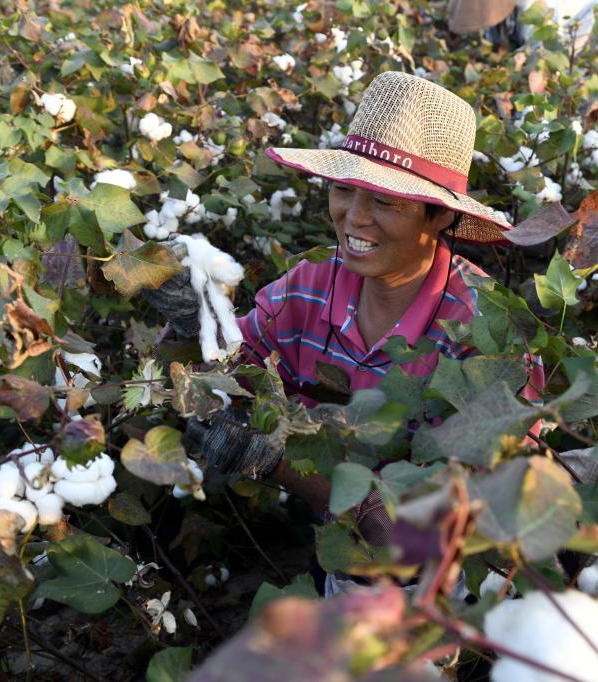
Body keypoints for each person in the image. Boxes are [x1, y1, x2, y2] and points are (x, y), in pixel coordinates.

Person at [144, 71, 544, 550]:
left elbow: (450, 530)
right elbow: (235, 370)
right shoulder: (311, 285)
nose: (354, 216)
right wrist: (196, 322)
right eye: (344, 189)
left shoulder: (491, 339)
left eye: (384, 200)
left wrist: (278, 466)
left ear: (441, 215)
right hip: (332, 550)